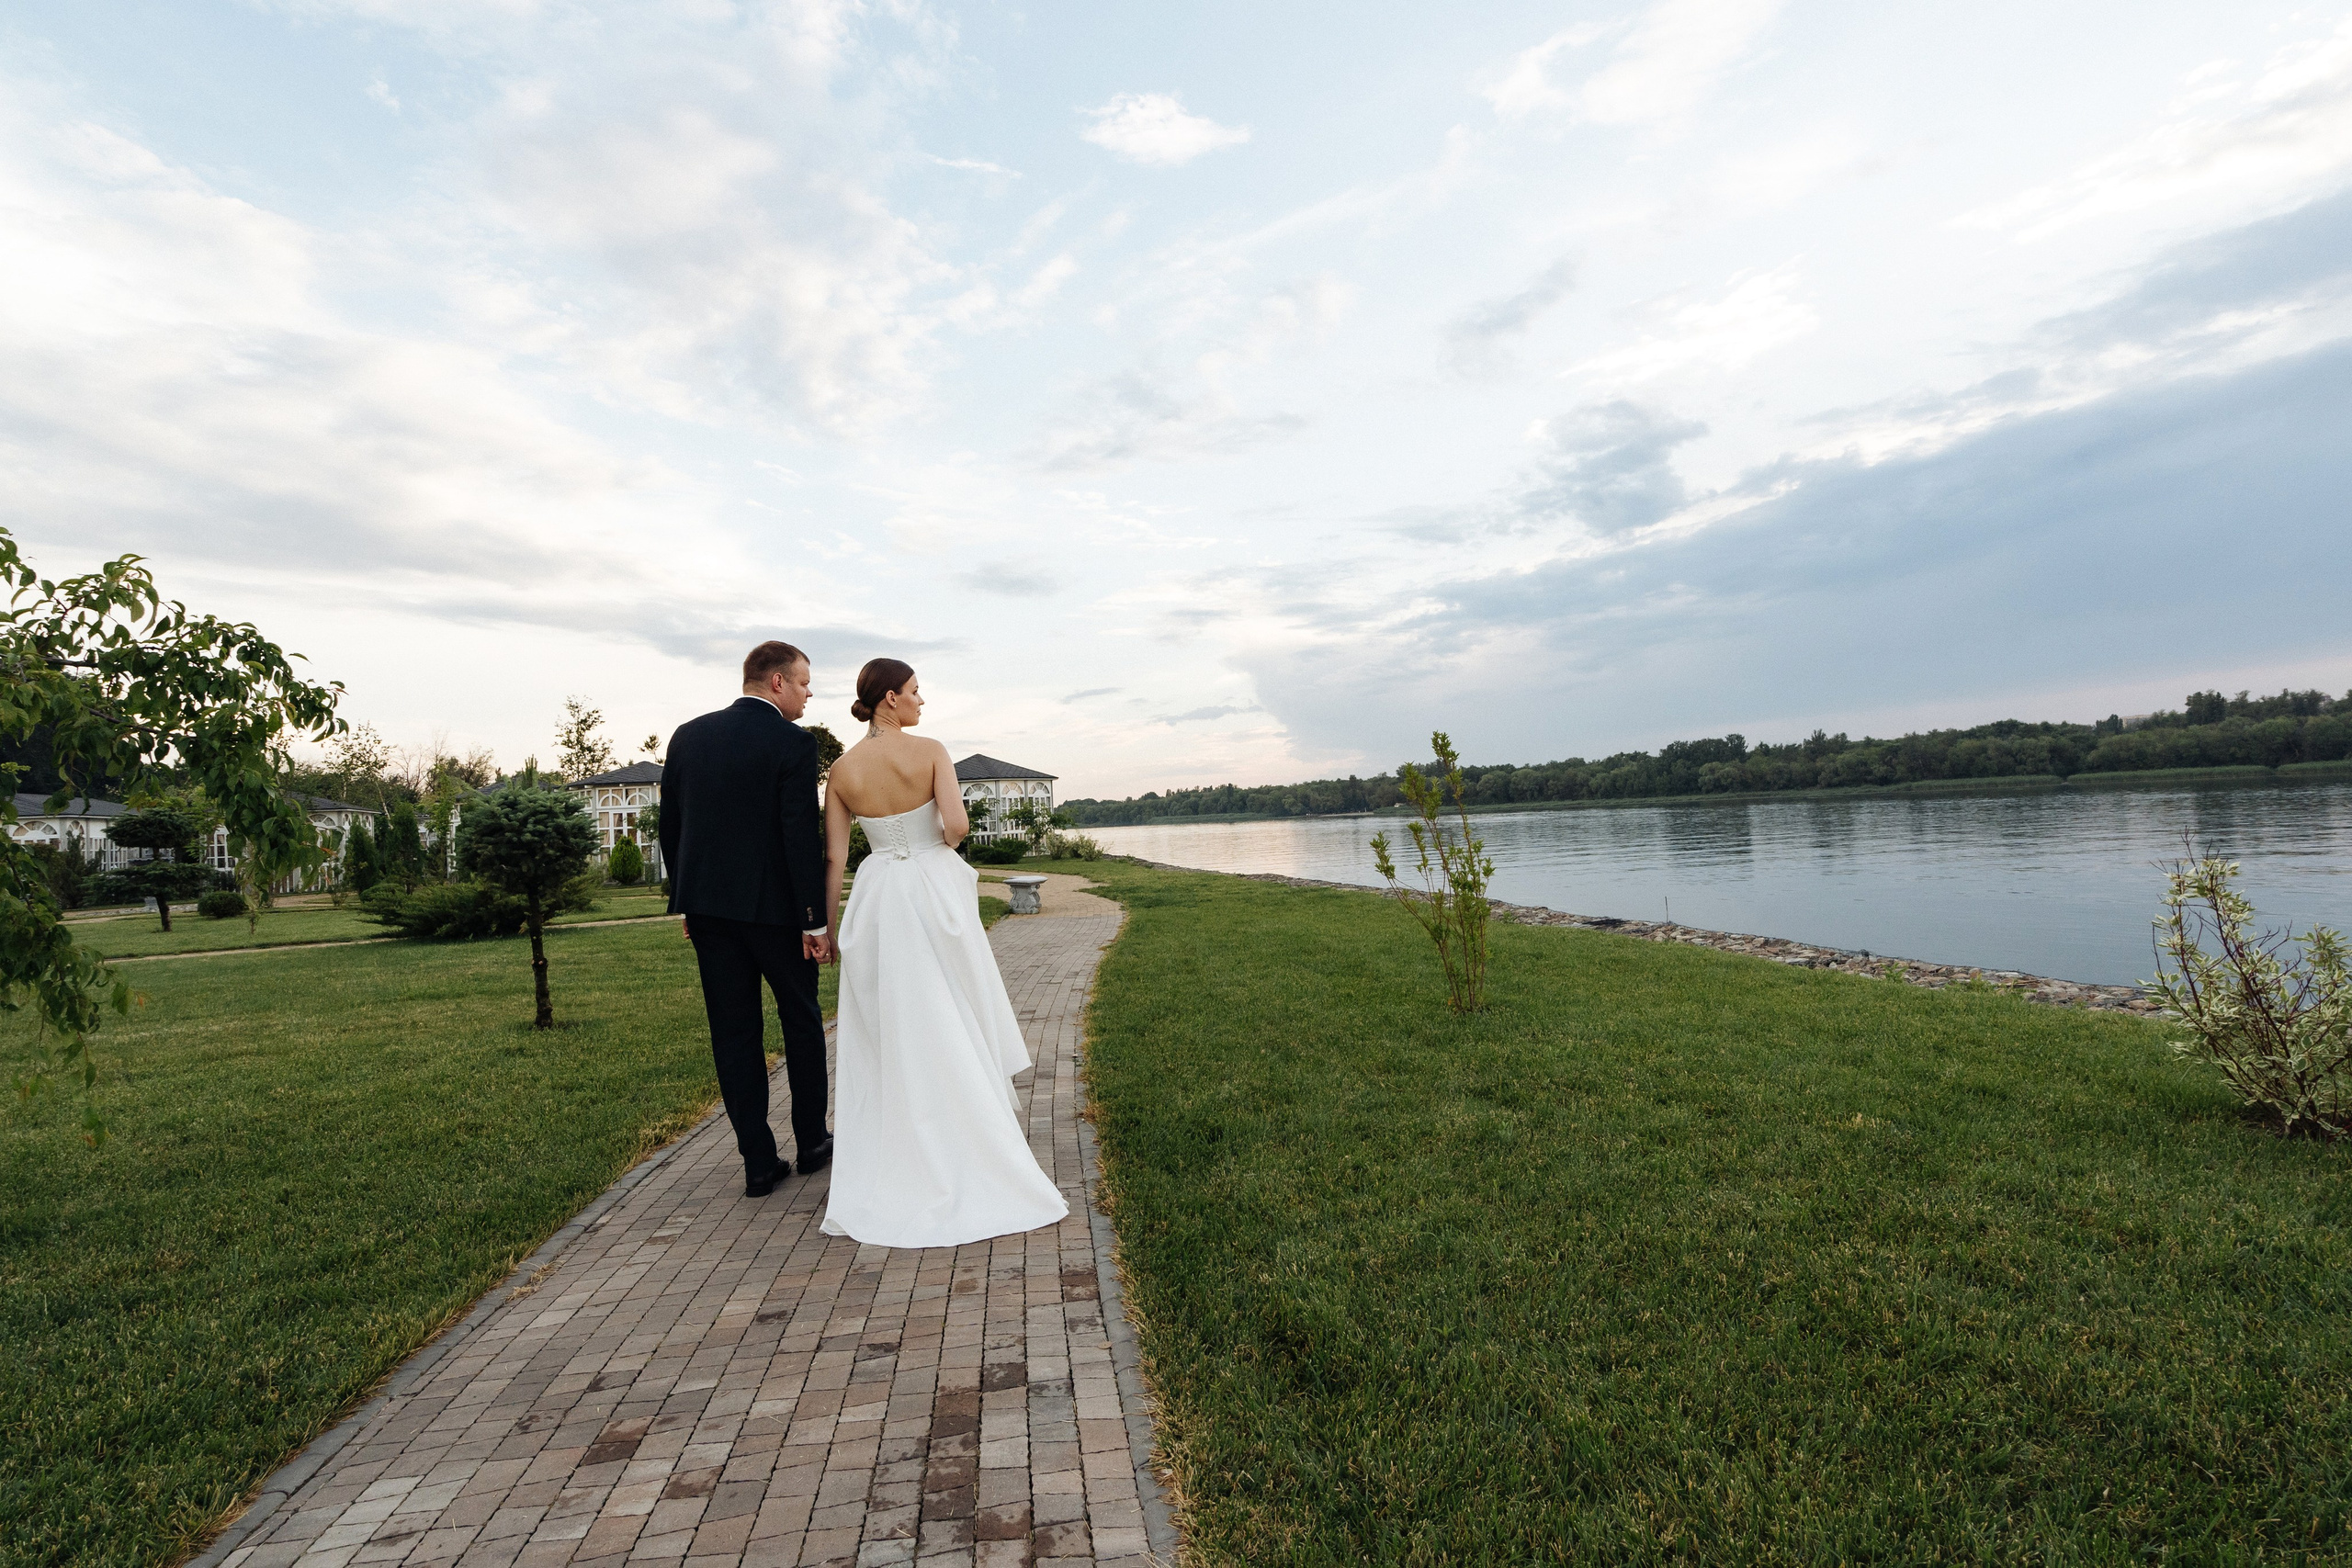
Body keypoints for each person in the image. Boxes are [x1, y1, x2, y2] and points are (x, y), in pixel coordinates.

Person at [817, 657, 1069, 1247]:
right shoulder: (930, 751)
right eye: (914, 691)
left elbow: (832, 859)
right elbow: (956, 826)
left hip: (877, 897)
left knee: (892, 1022)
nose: (921, 701)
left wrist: (824, 929)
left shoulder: (842, 772)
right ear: (887, 699)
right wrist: (935, 835)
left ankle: (900, 1144)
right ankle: (966, 1134)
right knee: (951, 1008)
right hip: (931, 889)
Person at [659, 640, 834, 1198]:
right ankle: (811, 1143)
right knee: (801, 1021)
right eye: (805, 683)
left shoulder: (688, 736)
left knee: (733, 1034)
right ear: (777, 682)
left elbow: (673, 827)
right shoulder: (791, 742)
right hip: (778, 916)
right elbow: (799, 836)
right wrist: (814, 921)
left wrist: (688, 900)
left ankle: (758, 1162)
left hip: (709, 912)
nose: (809, 694)